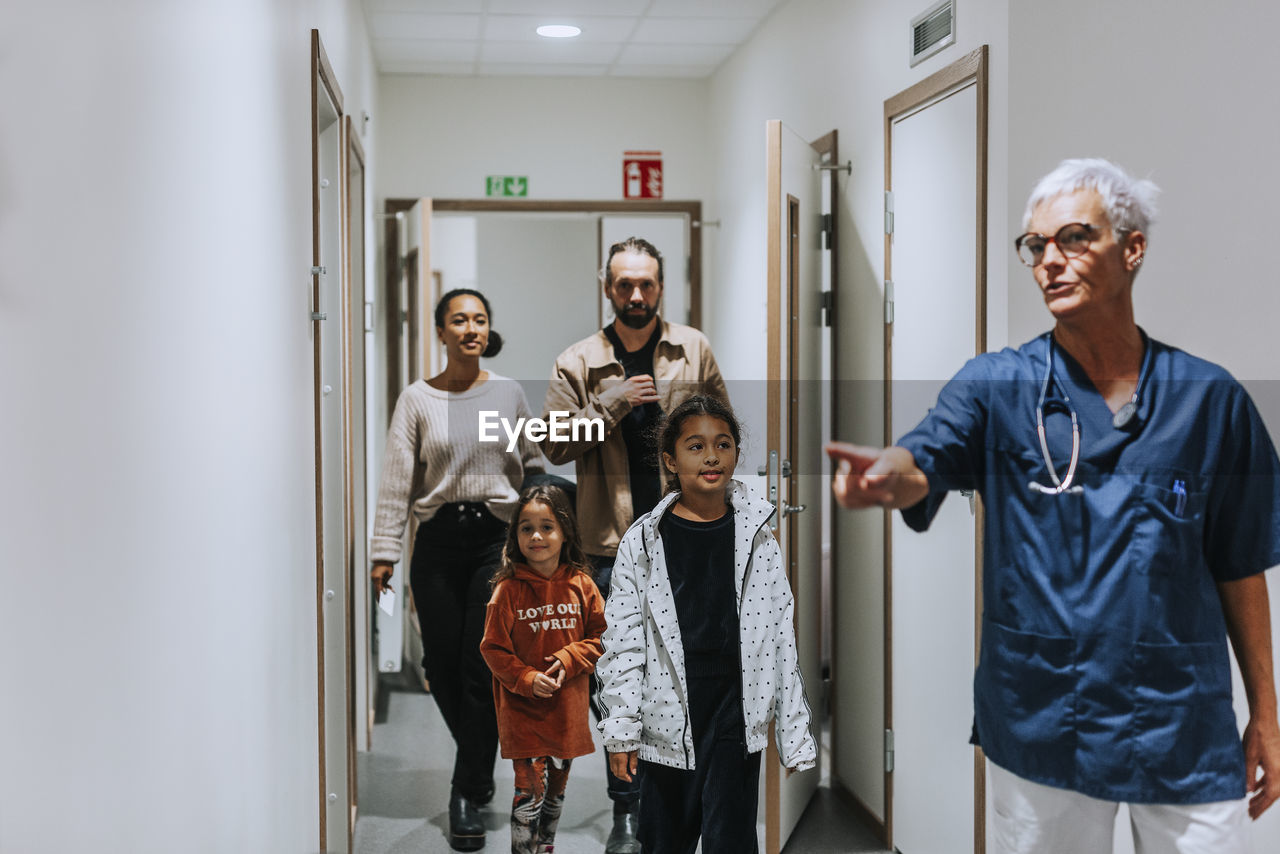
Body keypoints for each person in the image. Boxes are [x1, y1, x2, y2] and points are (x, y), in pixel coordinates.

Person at [827, 158, 1280, 853]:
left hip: (1180, 721)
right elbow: (925, 456)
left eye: (1073, 238)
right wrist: (889, 477)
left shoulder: (1210, 401)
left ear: (1132, 248)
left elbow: (1240, 564)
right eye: (1035, 246)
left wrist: (1267, 714)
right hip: (1045, 714)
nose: (1049, 261)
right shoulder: (996, 386)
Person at [541, 236, 729, 853]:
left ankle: (674, 796)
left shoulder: (691, 348)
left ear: (661, 286)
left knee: (689, 675)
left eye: (646, 283)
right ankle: (629, 804)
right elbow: (557, 447)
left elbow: (722, 434)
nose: (637, 295)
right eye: (625, 284)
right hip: (608, 545)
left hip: (689, 537)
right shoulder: (577, 362)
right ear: (607, 288)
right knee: (615, 681)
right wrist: (611, 402)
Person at [598, 394, 816, 854]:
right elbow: (623, 642)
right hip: (667, 708)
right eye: (695, 446)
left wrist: (794, 734)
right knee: (665, 840)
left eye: (723, 444)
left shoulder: (759, 534)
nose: (712, 456)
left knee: (732, 840)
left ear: (737, 452)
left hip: (735, 707)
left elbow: (780, 636)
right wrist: (621, 730)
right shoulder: (644, 539)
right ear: (669, 460)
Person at [369, 288, 544, 852]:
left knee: (481, 667)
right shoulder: (417, 399)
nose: (470, 328)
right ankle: (479, 756)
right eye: (458, 320)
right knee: (441, 666)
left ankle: (465, 792)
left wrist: (540, 540)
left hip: (496, 541)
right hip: (439, 542)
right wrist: (384, 552)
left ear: (487, 330)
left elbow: (535, 468)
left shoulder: (510, 393)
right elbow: (398, 480)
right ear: (441, 331)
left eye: (480, 319)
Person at [480, 485, 607, 854]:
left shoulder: (582, 586)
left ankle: (545, 847)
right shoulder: (507, 591)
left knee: (555, 791)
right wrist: (525, 678)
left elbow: (603, 637)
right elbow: (492, 648)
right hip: (523, 715)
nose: (536, 536)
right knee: (529, 793)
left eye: (547, 526)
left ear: (565, 531)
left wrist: (569, 659)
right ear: (514, 535)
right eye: (526, 527)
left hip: (565, 713)